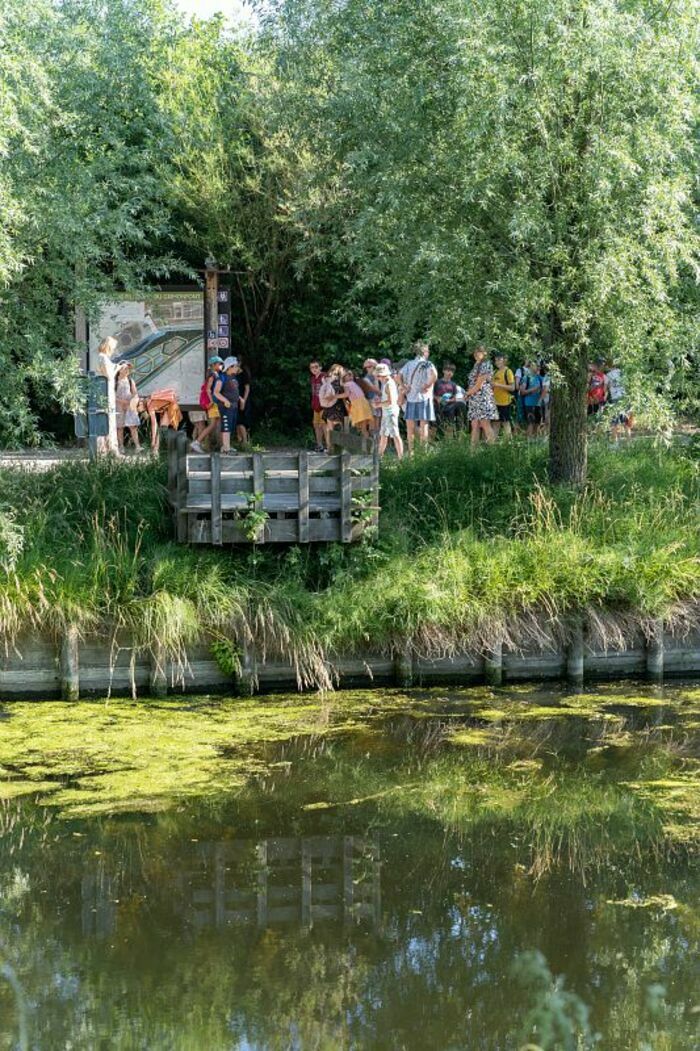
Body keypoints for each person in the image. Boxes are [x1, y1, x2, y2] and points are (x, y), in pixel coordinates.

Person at [399, 341, 437, 454]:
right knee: (423, 425)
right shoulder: (427, 364)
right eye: (427, 351)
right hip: (423, 398)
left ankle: (411, 453)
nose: (428, 353)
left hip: (411, 398)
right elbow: (434, 375)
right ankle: (423, 452)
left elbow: (398, 376)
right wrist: (427, 385)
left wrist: (403, 386)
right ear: (424, 352)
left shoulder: (409, 364)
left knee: (410, 427)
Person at [465, 345, 498, 445]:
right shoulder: (476, 364)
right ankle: (472, 451)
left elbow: (479, 385)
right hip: (474, 398)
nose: (475, 354)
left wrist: (467, 394)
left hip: (483, 397)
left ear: (485, 353)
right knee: (474, 424)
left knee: (485, 423)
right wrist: (469, 394)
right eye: (474, 352)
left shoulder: (486, 364)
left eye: (478, 351)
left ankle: (494, 450)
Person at [191, 356, 224, 454]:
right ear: (213, 365)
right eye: (219, 364)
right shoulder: (212, 375)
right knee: (213, 424)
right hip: (213, 403)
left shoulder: (214, 374)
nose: (221, 365)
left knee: (216, 423)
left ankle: (224, 445)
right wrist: (212, 401)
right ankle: (197, 442)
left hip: (214, 403)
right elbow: (208, 389)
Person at [96, 336, 120, 455]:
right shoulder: (103, 358)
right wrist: (117, 369)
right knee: (108, 418)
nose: (114, 350)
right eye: (113, 348)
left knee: (105, 418)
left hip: (104, 391)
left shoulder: (101, 357)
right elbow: (109, 376)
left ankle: (105, 448)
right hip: (106, 391)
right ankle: (109, 449)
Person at [374, 362, 404, 459]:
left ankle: (401, 459)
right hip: (386, 412)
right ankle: (379, 458)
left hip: (390, 412)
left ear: (381, 375)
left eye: (378, 376)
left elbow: (390, 401)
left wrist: (378, 405)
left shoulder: (389, 384)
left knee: (395, 435)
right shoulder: (386, 383)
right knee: (383, 434)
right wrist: (380, 401)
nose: (377, 378)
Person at [212, 356, 241, 454]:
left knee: (230, 426)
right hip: (225, 407)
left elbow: (234, 391)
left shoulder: (233, 377)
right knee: (226, 426)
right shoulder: (222, 377)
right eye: (235, 366)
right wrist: (225, 401)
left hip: (233, 406)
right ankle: (226, 448)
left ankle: (226, 446)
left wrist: (240, 399)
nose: (237, 368)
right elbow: (216, 392)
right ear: (230, 367)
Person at [115, 361, 142, 453]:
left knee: (132, 426)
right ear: (119, 369)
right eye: (125, 368)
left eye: (128, 369)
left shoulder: (130, 381)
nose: (127, 370)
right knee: (120, 427)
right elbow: (112, 396)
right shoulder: (115, 381)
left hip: (129, 406)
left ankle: (137, 446)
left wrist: (133, 401)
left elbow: (135, 393)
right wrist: (123, 402)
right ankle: (121, 446)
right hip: (118, 406)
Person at [320, 364, 347, 452]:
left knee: (329, 429)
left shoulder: (326, 379)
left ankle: (330, 448)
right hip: (338, 406)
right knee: (340, 428)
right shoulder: (340, 381)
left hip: (328, 406)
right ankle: (340, 448)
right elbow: (346, 394)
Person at [433, 361, 464, 434]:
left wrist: (449, 400)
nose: (450, 373)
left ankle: (458, 433)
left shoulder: (453, 384)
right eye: (448, 371)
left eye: (452, 371)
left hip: (450, 407)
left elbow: (455, 398)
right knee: (439, 427)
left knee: (460, 405)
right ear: (443, 371)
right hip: (438, 407)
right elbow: (431, 394)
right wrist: (437, 398)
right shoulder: (437, 382)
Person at [340, 370, 373, 435]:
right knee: (363, 428)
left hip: (358, 405)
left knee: (362, 428)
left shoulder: (347, 384)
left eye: (350, 375)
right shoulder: (354, 383)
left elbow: (346, 394)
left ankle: (365, 439)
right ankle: (366, 438)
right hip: (363, 403)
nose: (350, 376)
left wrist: (334, 396)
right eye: (348, 375)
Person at [606, 363, 633, 441]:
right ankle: (629, 442)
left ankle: (615, 443)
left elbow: (607, 388)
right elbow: (628, 386)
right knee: (626, 422)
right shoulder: (623, 373)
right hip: (625, 398)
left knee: (614, 422)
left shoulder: (608, 375)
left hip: (615, 399)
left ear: (609, 366)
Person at [491, 353, 515, 438]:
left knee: (505, 423)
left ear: (504, 360)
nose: (497, 362)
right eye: (495, 360)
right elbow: (492, 386)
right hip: (495, 402)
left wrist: (498, 385)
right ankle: (493, 443)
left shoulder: (508, 372)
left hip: (505, 402)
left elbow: (512, 388)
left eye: (499, 360)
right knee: (495, 423)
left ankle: (509, 443)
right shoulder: (495, 372)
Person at [519, 361, 544, 439]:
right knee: (531, 423)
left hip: (538, 404)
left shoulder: (540, 378)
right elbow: (522, 392)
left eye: (539, 366)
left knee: (537, 423)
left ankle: (535, 441)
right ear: (531, 366)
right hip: (529, 404)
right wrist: (533, 389)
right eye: (537, 366)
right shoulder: (526, 378)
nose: (538, 367)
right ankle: (528, 441)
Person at [361, 359, 382, 433]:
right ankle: (373, 438)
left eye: (370, 367)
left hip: (377, 401)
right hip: (371, 401)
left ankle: (376, 438)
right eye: (367, 367)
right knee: (372, 421)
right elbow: (377, 391)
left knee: (377, 420)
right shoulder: (366, 379)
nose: (368, 369)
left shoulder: (378, 377)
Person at [309, 360, 326, 452]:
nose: (314, 369)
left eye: (316, 367)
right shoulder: (312, 378)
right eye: (312, 367)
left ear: (320, 367)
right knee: (316, 425)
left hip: (324, 406)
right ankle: (319, 445)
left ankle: (329, 447)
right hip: (315, 406)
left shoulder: (324, 376)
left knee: (324, 426)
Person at [237, 358, 252, 445]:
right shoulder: (234, 374)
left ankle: (245, 441)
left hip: (243, 399)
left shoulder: (244, 374)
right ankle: (240, 440)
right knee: (237, 421)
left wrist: (244, 401)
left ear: (240, 363)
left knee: (241, 421)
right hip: (236, 399)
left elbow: (247, 389)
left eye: (238, 362)